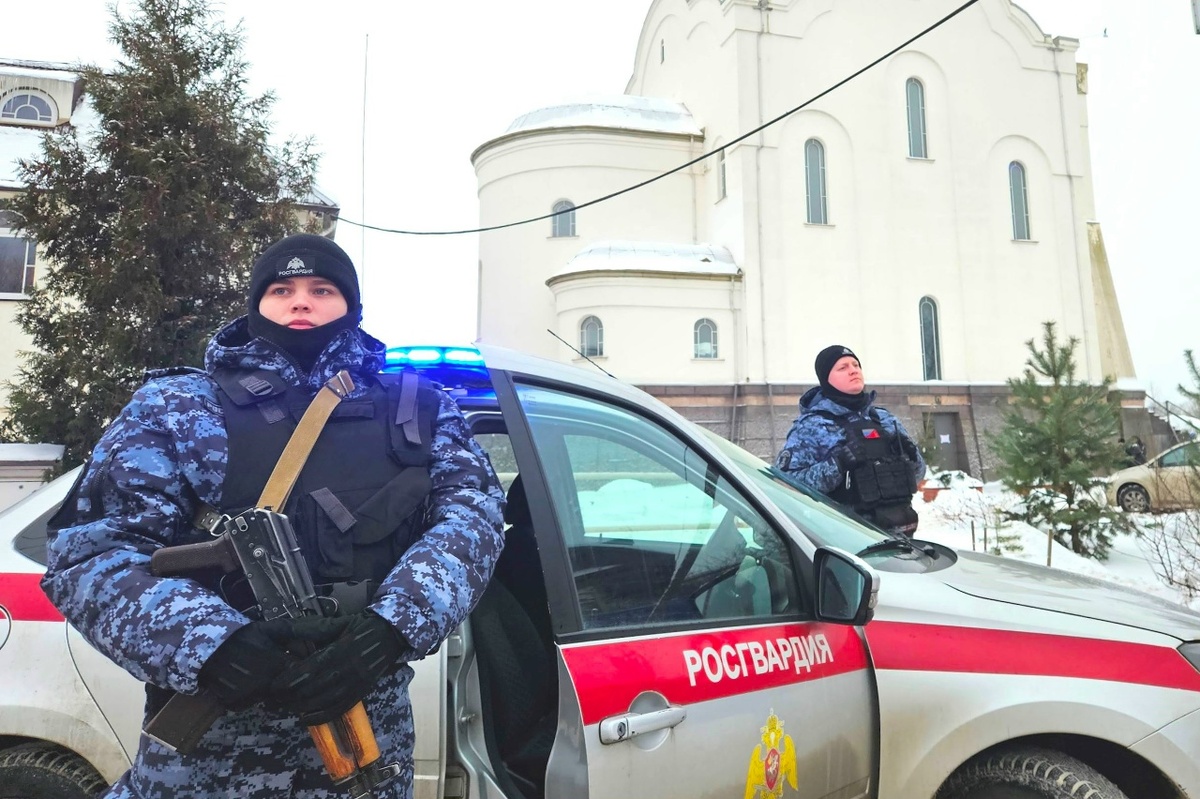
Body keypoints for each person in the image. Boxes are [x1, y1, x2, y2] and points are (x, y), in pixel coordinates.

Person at [41, 233, 505, 799]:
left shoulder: (421, 407)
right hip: (212, 756)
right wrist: (211, 643)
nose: (301, 302)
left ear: (352, 307)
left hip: (363, 739)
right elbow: (91, 552)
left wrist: (389, 629)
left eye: (322, 288)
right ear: (256, 304)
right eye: (281, 289)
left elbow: (472, 521)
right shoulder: (180, 405)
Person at [775, 345, 926, 535]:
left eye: (856, 365)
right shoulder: (812, 425)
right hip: (843, 542)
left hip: (899, 539)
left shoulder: (884, 419)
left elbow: (917, 475)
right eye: (843, 367)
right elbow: (785, 485)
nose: (853, 370)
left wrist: (913, 457)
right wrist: (838, 465)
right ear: (826, 379)